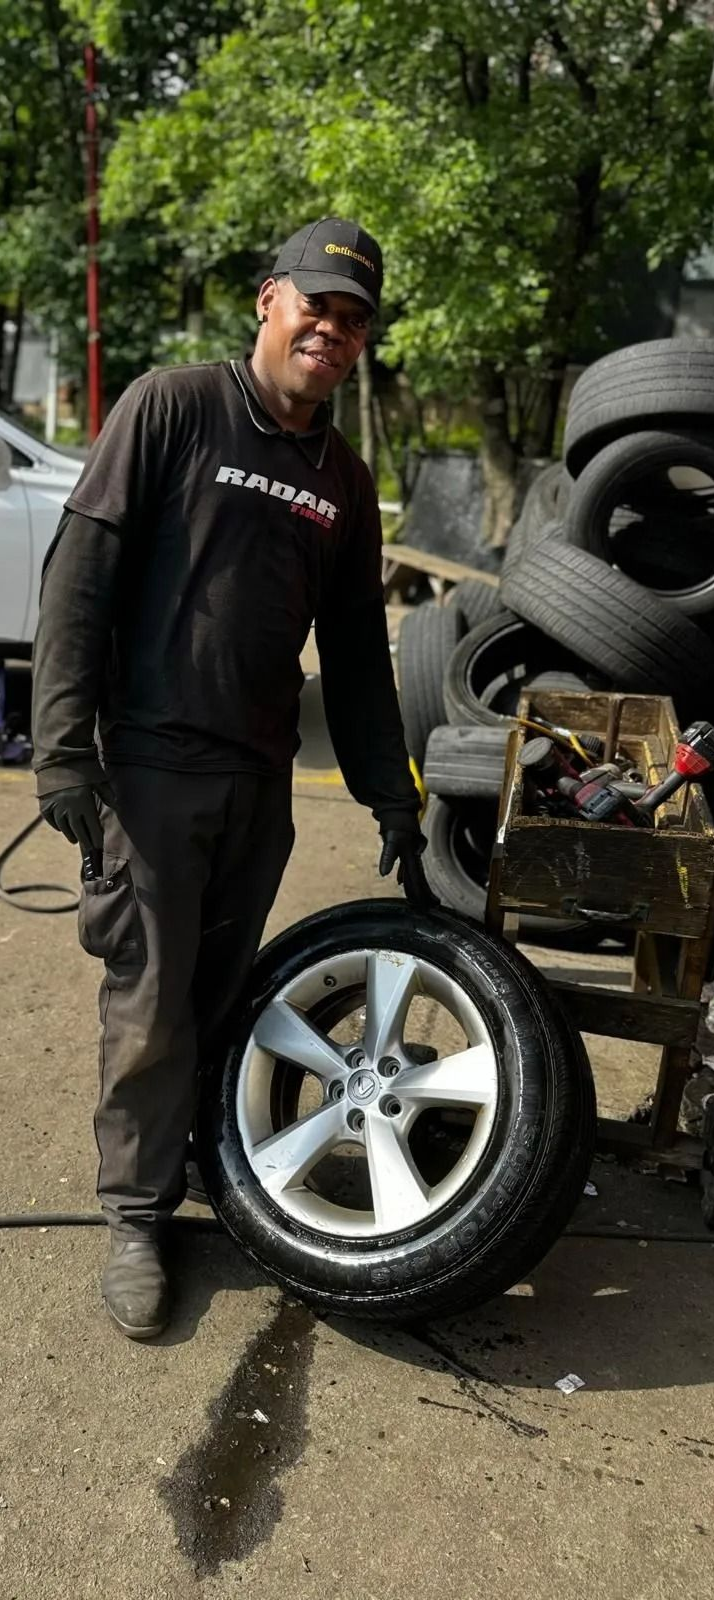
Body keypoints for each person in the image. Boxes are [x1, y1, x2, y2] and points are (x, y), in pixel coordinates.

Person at [31, 215, 434, 1341]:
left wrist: (391, 793)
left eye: (353, 320)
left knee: (222, 996)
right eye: (316, 306)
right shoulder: (172, 407)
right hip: (151, 769)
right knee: (152, 1003)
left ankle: (203, 1164)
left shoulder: (343, 479)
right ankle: (134, 1215)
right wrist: (61, 749)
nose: (331, 331)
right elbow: (80, 577)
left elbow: (356, 656)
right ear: (269, 299)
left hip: (259, 782)